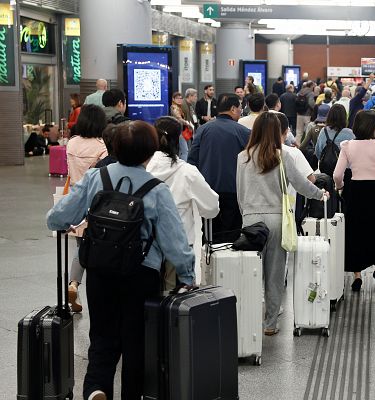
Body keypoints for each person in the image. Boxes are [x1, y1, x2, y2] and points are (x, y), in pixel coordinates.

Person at [47, 121, 195, 399]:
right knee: (136, 344)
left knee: (101, 338)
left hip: (100, 272)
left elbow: (57, 218)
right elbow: (174, 242)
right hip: (141, 274)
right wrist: (187, 276)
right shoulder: (156, 189)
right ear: (150, 152)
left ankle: (96, 389)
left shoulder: (96, 178)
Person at [237, 112, 326, 336]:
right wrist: (319, 194)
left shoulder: (242, 157)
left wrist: (246, 215)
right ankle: (270, 324)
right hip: (277, 220)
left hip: (251, 220)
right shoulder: (282, 156)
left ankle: (247, 320)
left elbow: (240, 192)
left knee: (251, 273)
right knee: (275, 274)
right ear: (277, 132)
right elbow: (302, 184)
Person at [146, 116, 219, 290]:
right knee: (176, 302)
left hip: (146, 245)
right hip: (179, 245)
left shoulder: (142, 168)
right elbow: (212, 207)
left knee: (148, 299)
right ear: (179, 139)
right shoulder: (187, 172)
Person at [333, 110, 375, 292]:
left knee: (355, 230)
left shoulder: (347, 145)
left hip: (355, 190)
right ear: (372, 127)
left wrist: (341, 186)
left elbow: (337, 174)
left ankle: (357, 275)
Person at [188, 94, 251, 243]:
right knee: (232, 233)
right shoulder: (243, 132)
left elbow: (192, 160)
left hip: (207, 190)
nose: (241, 111)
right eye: (240, 108)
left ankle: (210, 263)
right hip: (234, 190)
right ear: (233, 108)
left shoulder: (203, 130)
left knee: (209, 233)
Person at [65, 104, 109, 313]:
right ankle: (83, 286)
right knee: (96, 246)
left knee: (81, 244)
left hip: (75, 198)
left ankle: (74, 284)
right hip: (96, 201)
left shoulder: (71, 143)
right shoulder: (101, 146)